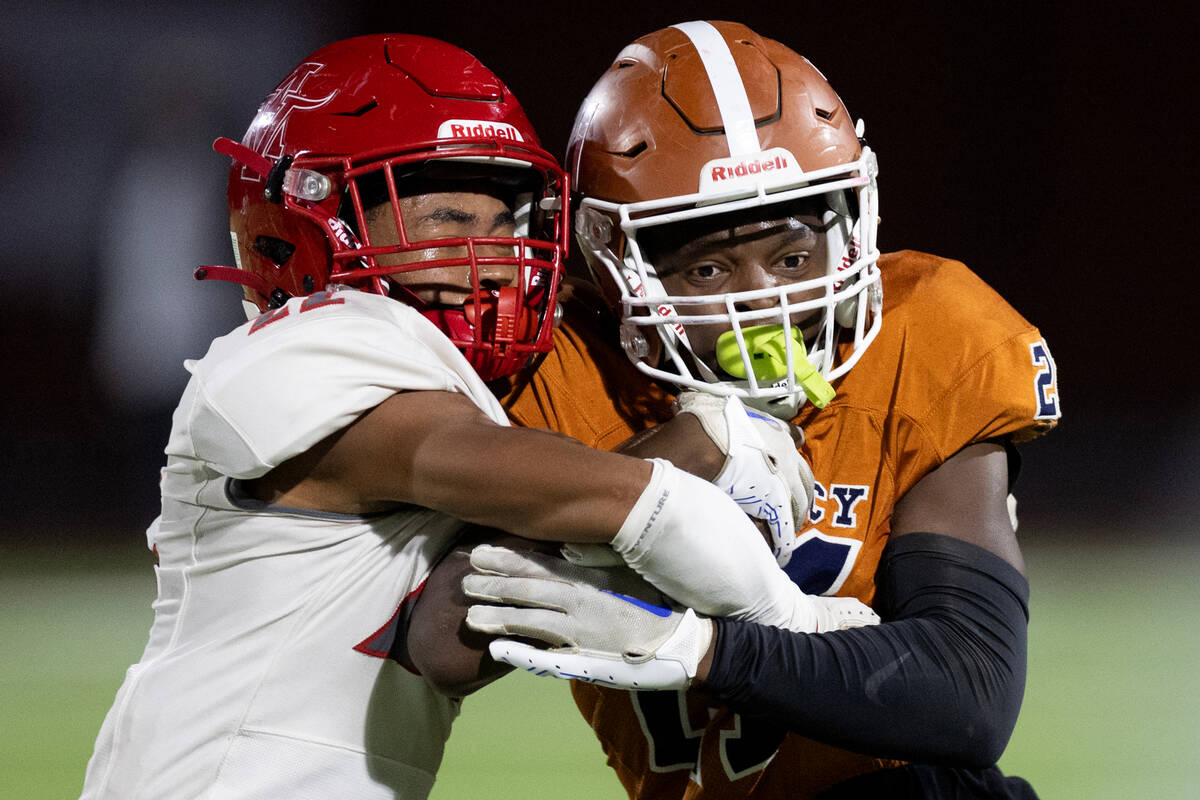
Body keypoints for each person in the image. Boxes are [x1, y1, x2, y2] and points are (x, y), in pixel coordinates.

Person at [77, 33, 873, 800]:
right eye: (449, 221)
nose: (490, 255)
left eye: (505, 221)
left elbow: (454, 636)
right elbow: (618, 502)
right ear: (314, 216)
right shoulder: (307, 347)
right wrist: (782, 609)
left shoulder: (428, 379)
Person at [458, 20, 1061, 799]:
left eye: (792, 257)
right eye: (709, 266)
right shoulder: (554, 370)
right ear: (615, 264)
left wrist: (697, 646)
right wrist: (684, 455)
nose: (764, 302)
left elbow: (967, 700)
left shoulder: (927, 330)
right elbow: (440, 625)